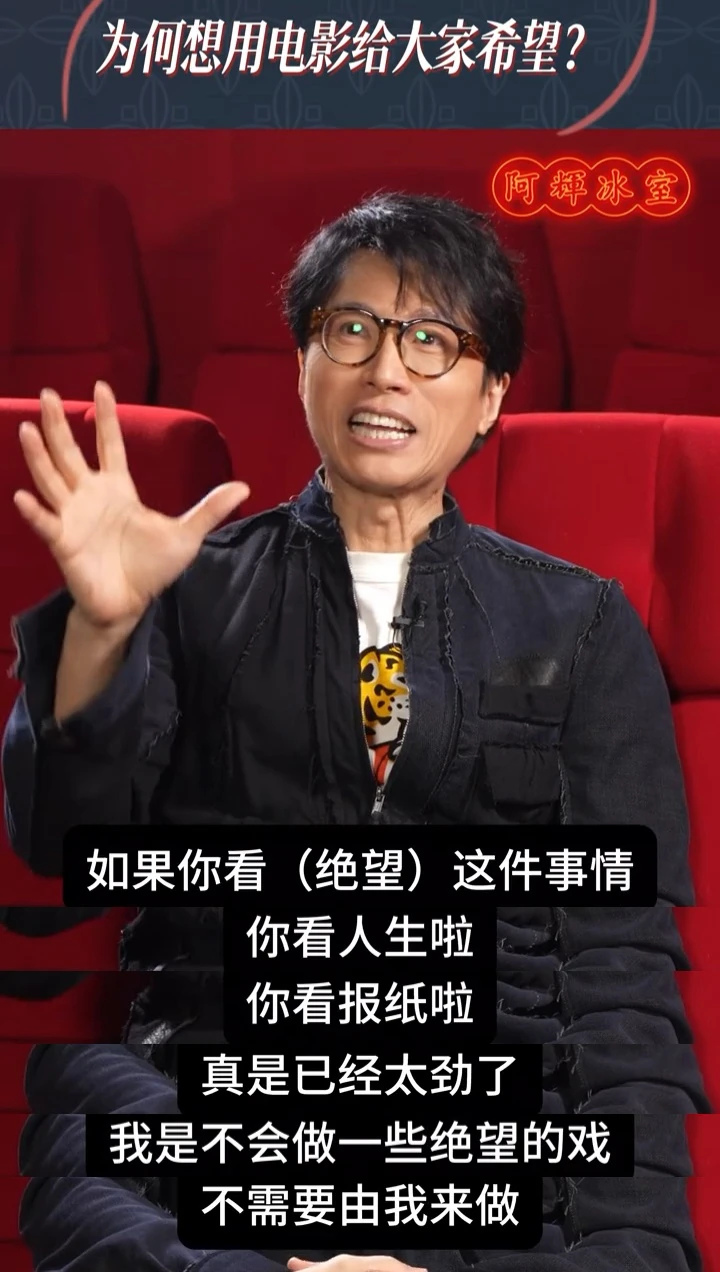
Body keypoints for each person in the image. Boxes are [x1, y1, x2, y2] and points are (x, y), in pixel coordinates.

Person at [1, 193, 708, 1270]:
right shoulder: (184, 591)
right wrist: (102, 628)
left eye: (432, 341)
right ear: (302, 363)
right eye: (353, 329)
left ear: (491, 395)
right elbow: (63, 842)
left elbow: (620, 968)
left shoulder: (583, 624)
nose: (386, 370)